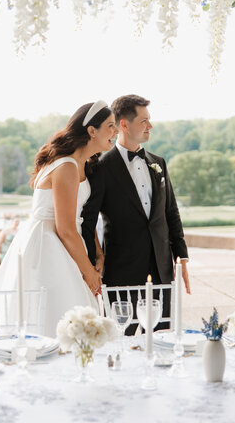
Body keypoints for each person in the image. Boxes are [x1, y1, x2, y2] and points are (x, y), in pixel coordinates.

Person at [0, 100, 118, 337]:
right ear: (92, 130)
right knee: (58, 316)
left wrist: (97, 251)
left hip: (54, 240)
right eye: (110, 125)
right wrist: (89, 273)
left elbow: (82, 218)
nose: (116, 131)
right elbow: (66, 228)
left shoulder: (79, 163)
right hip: (48, 246)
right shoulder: (67, 166)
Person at [81, 94, 190, 334]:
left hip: (162, 270)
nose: (150, 126)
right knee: (120, 342)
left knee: (163, 341)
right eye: (144, 121)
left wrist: (181, 257)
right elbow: (88, 221)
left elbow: (171, 212)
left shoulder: (158, 162)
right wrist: (93, 262)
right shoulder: (100, 167)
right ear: (124, 124)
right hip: (122, 272)